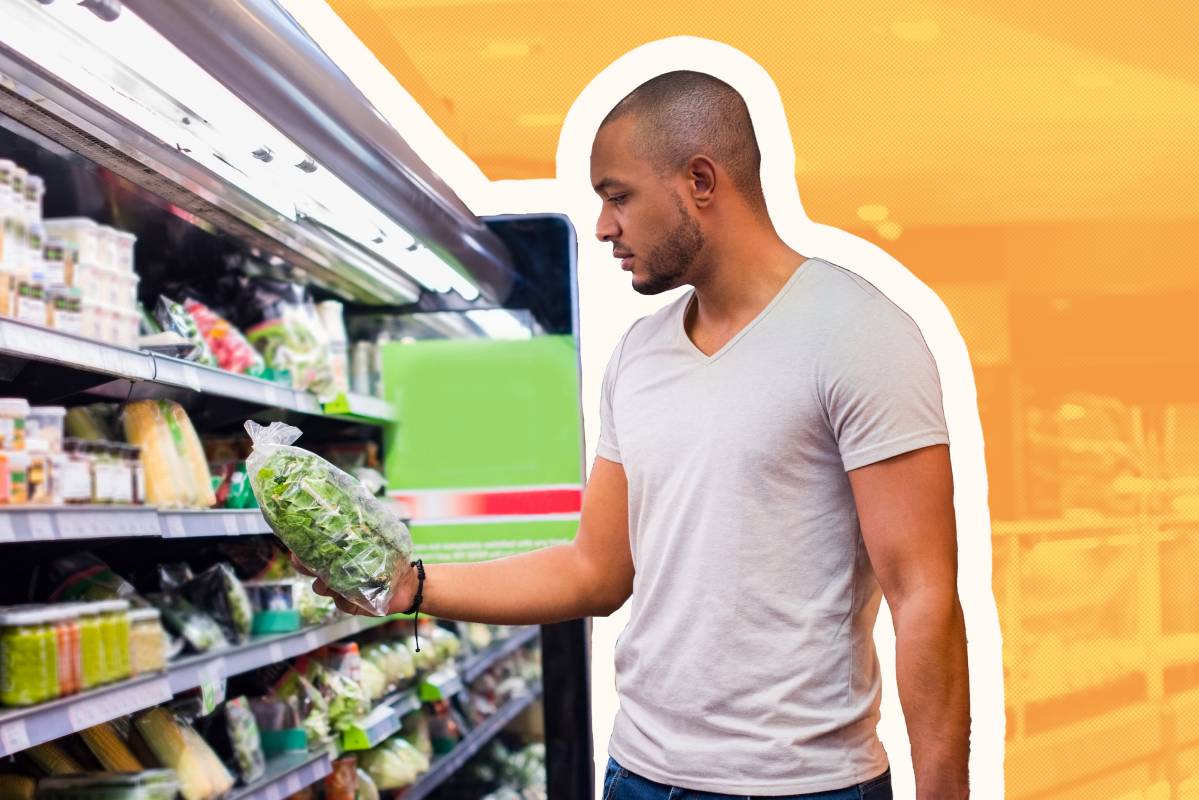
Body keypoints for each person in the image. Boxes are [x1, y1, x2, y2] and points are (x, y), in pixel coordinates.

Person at [307, 70, 970, 799]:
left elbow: (923, 597)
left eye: (617, 195)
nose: (602, 226)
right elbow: (595, 571)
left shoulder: (859, 333)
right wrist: (414, 585)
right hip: (638, 776)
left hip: (802, 786)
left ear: (700, 182)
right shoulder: (640, 355)